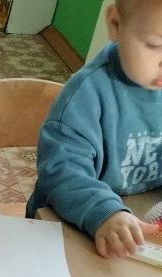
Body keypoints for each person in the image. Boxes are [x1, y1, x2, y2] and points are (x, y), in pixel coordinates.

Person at [26, 0, 162, 258]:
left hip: (138, 230)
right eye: (155, 45)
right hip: (67, 231)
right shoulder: (85, 95)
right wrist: (104, 211)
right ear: (115, 24)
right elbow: (61, 171)